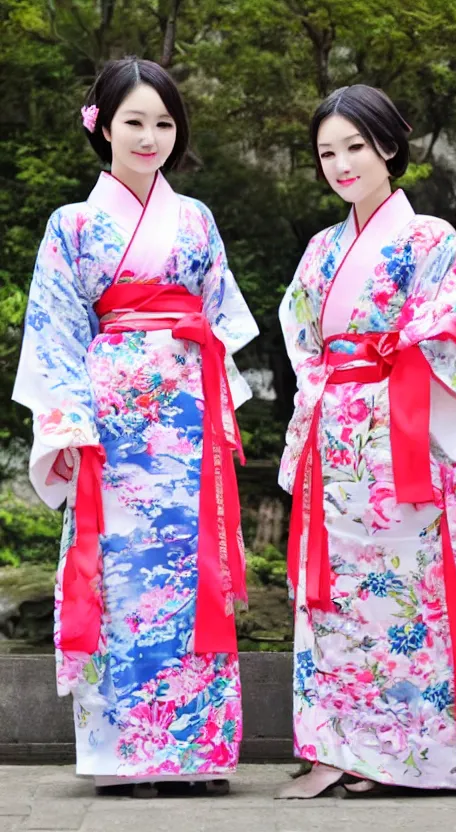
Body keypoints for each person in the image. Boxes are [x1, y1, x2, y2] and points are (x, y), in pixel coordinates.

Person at [277, 84, 456, 798]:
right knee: (335, 596)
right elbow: (302, 337)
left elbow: (450, 332)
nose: (342, 163)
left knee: (409, 596)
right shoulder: (322, 248)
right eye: (327, 152)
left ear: (388, 146)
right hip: (335, 435)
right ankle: (342, 749)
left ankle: (414, 759)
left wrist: (386, 381)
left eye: (355, 146)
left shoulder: (429, 237)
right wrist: (327, 400)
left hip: (401, 434)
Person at [12, 56, 258, 797]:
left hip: (187, 417)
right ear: (104, 127)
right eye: (134, 122)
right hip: (113, 424)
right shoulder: (73, 225)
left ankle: (199, 752)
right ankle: (126, 756)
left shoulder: (196, 219)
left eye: (163, 123)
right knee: (120, 576)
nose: (150, 136)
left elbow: (220, 316)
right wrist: (70, 428)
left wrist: (212, 403)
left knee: (194, 573)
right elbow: (55, 331)